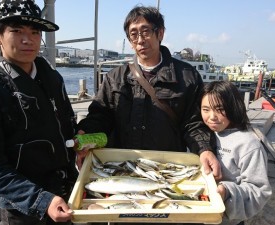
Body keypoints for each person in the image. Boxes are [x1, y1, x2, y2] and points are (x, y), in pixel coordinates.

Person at [0, 0, 77, 224]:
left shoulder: (52, 77)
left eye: (35, 32)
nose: (28, 40)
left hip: (67, 193)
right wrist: (42, 200)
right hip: (23, 210)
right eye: (16, 31)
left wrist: (78, 140)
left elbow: (67, 128)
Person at [76, 5, 221, 179]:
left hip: (168, 168)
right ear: (129, 41)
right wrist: (85, 134)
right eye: (133, 34)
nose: (140, 40)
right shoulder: (115, 78)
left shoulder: (187, 76)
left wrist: (204, 149)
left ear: (160, 33)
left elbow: (194, 123)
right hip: (122, 167)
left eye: (145, 31)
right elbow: (100, 117)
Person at [200, 81, 272, 225]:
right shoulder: (202, 135)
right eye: (206, 109)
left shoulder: (249, 145)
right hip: (198, 211)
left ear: (233, 107)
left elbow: (260, 191)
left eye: (220, 109)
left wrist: (226, 191)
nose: (212, 116)